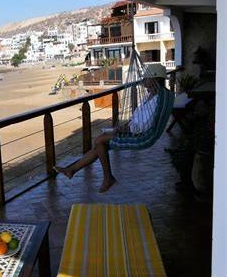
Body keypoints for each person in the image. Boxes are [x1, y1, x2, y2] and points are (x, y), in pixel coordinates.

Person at [54, 63, 168, 193]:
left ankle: (107, 177)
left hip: (139, 136)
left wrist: (121, 130)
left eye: (146, 78)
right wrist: (123, 126)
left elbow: (141, 126)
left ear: (154, 80)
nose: (143, 81)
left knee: (99, 141)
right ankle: (72, 170)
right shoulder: (150, 96)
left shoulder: (156, 101)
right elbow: (137, 118)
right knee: (100, 145)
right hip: (132, 129)